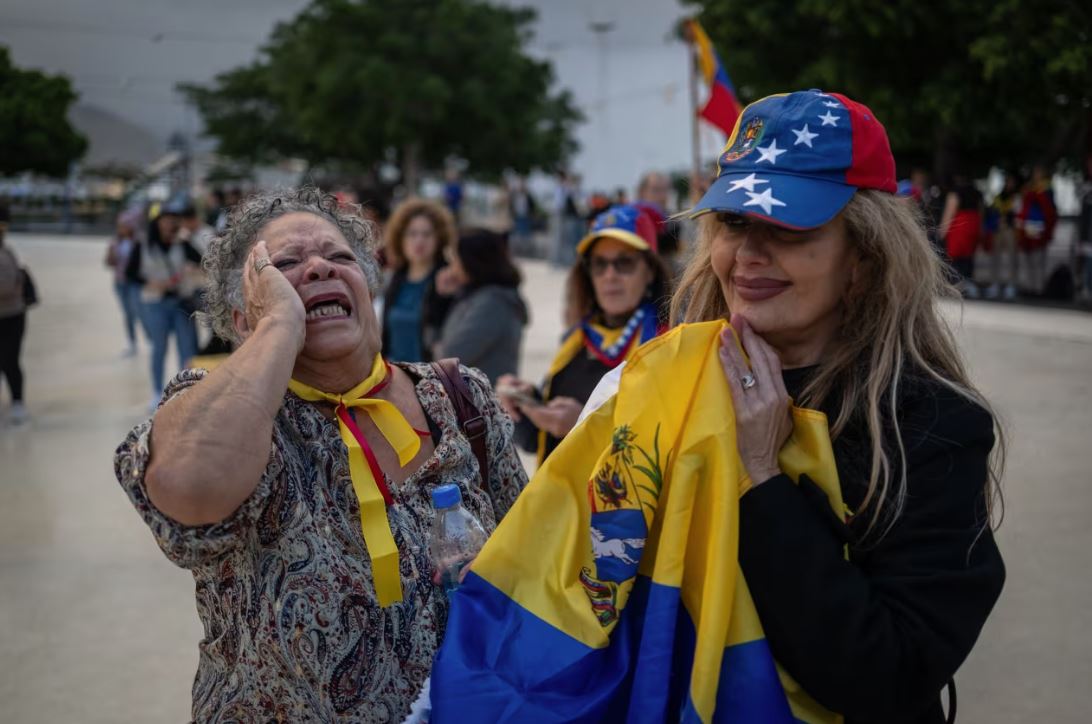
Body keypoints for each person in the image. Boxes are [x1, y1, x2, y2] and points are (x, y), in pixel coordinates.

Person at [113, 187, 527, 722]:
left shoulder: (457, 397)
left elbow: (531, 560)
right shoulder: (229, 411)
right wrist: (280, 326)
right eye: (284, 265)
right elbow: (188, 488)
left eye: (339, 258)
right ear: (243, 318)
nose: (318, 269)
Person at [672, 90, 1005, 722]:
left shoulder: (932, 425)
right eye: (735, 222)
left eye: (790, 228)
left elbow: (887, 675)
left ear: (865, 258)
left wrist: (763, 478)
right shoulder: (670, 381)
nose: (748, 254)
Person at [497, 204, 671, 465]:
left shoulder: (668, 345)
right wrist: (523, 403)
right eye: (599, 264)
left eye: (624, 263)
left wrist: (586, 426)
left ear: (649, 272)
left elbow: (667, 448)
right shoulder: (576, 341)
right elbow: (537, 441)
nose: (609, 275)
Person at [126, 198, 202, 405]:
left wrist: (188, 245)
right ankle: (157, 391)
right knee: (159, 348)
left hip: (182, 302)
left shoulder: (182, 242)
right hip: (155, 304)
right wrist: (150, 281)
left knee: (187, 348)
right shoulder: (142, 244)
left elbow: (202, 260)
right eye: (167, 220)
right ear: (157, 222)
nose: (171, 224)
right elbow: (130, 273)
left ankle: (188, 392)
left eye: (175, 220)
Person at [434, 229, 527, 384]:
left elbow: (451, 356)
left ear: (471, 262)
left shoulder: (493, 303)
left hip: (482, 401)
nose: (452, 268)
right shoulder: (475, 295)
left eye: (456, 260)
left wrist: (436, 346)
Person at [381, 198, 457, 363]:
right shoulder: (395, 280)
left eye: (427, 234)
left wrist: (445, 297)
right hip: (394, 374)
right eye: (412, 234)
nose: (419, 241)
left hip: (430, 378)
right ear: (400, 239)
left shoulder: (448, 280)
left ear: (439, 239)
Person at [0, 201, 29, 425]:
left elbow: (9, 285)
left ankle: (17, 402)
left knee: (10, 359)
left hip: (12, 314)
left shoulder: (7, 251)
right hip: (12, 312)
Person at [938, 174, 984, 297]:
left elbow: (950, 212)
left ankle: (956, 287)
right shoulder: (976, 192)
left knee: (955, 257)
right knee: (968, 257)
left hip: (960, 226)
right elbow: (981, 212)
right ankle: (969, 285)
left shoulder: (955, 192)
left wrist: (942, 232)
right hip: (974, 224)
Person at [105, 211, 144, 357]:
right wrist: (111, 255)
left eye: (124, 225)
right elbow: (108, 263)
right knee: (128, 314)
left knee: (138, 311)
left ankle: (149, 337)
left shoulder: (139, 242)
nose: (121, 228)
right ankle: (132, 342)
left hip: (135, 283)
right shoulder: (115, 242)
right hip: (120, 283)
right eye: (120, 225)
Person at [1016, 164, 1057, 293]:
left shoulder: (1047, 190)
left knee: (1038, 258)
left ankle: (1038, 287)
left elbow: (1050, 212)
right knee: (1028, 258)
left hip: (1040, 227)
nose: (1036, 176)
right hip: (1028, 226)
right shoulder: (1029, 189)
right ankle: (1029, 286)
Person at [984, 173, 1021, 300]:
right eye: (1007, 181)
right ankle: (995, 283)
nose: (1008, 184)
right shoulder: (999, 197)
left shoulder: (1017, 197)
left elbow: (1018, 214)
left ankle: (1011, 284)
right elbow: (992, 212)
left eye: (1011, 182)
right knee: (996, 257)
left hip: (1011, 230)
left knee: (1011, 258)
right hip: (998, 229)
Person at [507, 176, 539, 257]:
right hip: (517, 217)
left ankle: (526, 252)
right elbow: (511, 206)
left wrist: (532, 215)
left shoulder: (528, 196)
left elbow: (532, 206)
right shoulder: (514, 196)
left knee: (526, 235)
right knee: (517, 235)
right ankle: (517, 251)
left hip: (526, 217)